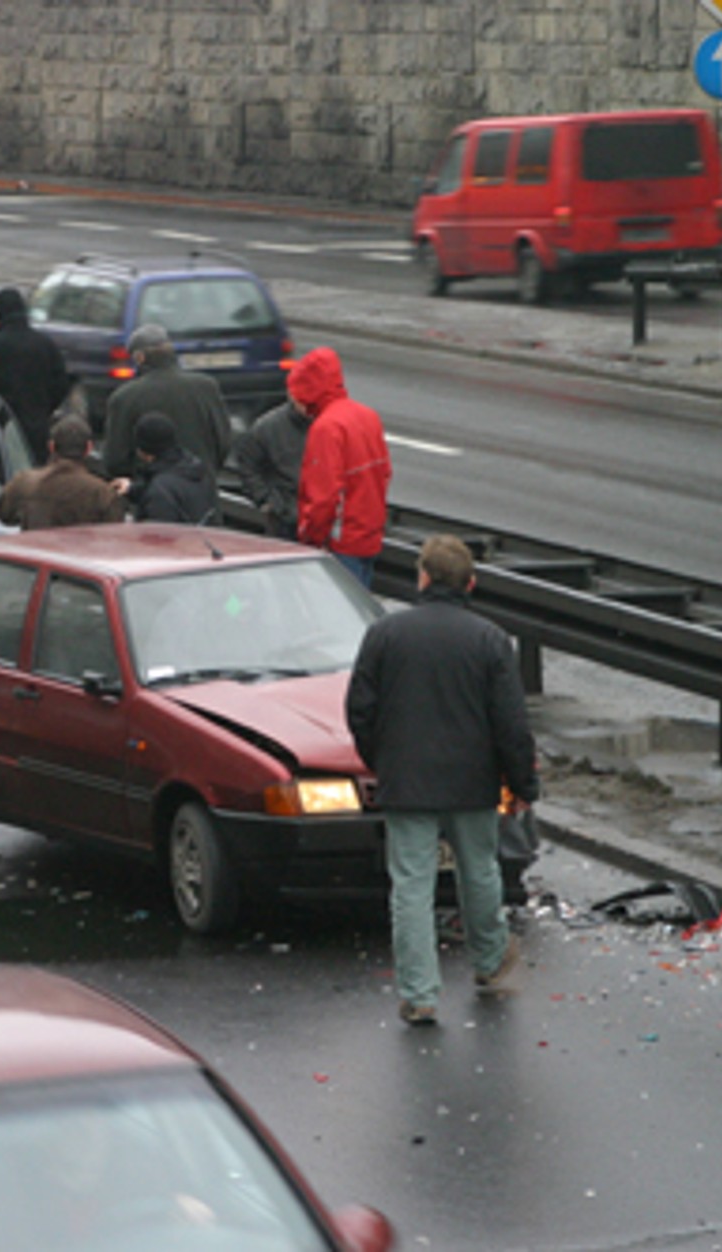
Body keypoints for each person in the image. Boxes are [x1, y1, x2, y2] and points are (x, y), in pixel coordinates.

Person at [345, 534, 539, 1027]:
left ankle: (419, 993)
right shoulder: (490, 639)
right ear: (470, 583)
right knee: (480, 871)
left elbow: (359, 710)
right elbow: (511, 725)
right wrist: (521, 786)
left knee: (411, 884)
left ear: (423, 578)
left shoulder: (386, 634)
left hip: (407, 782)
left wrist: (382, 759)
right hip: (473, 783)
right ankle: (491, 962)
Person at [293, 346, 390, 588]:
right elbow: (384, 473)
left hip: (341, 543)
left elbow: (323, 497)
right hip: (369, 537)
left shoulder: (326, 428)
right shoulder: (368, 416)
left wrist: (309, 536)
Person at [100, 323, 232, 484]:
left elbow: (115, 460)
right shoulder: (207, 387)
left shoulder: (125, 397)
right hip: (203, 488)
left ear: (140, 358)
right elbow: (223, 441)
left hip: (153, 493)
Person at [0, 286, 72, 480]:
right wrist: (45, 407)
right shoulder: (44, 344)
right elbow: (62, 383)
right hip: (37, 428)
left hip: (3, 430)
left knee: (1, 480)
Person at [0, 415, 127, 530]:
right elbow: (113, 538)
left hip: (34, 555)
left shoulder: (24, 482)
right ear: (88, 448)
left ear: (52, 447)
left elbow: (4, 515)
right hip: (77, 557)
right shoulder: (102, 494)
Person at [231, 394, 312, 538]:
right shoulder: (267, 428)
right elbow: (247, 464)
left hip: (319, 518)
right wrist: (266, 500)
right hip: (286, 519)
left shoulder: (329, 424)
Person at [123, 413, 219, 525]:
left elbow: (157, 536)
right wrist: (131, 489)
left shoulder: (159, 492)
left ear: (142, 450)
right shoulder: (194, 469)